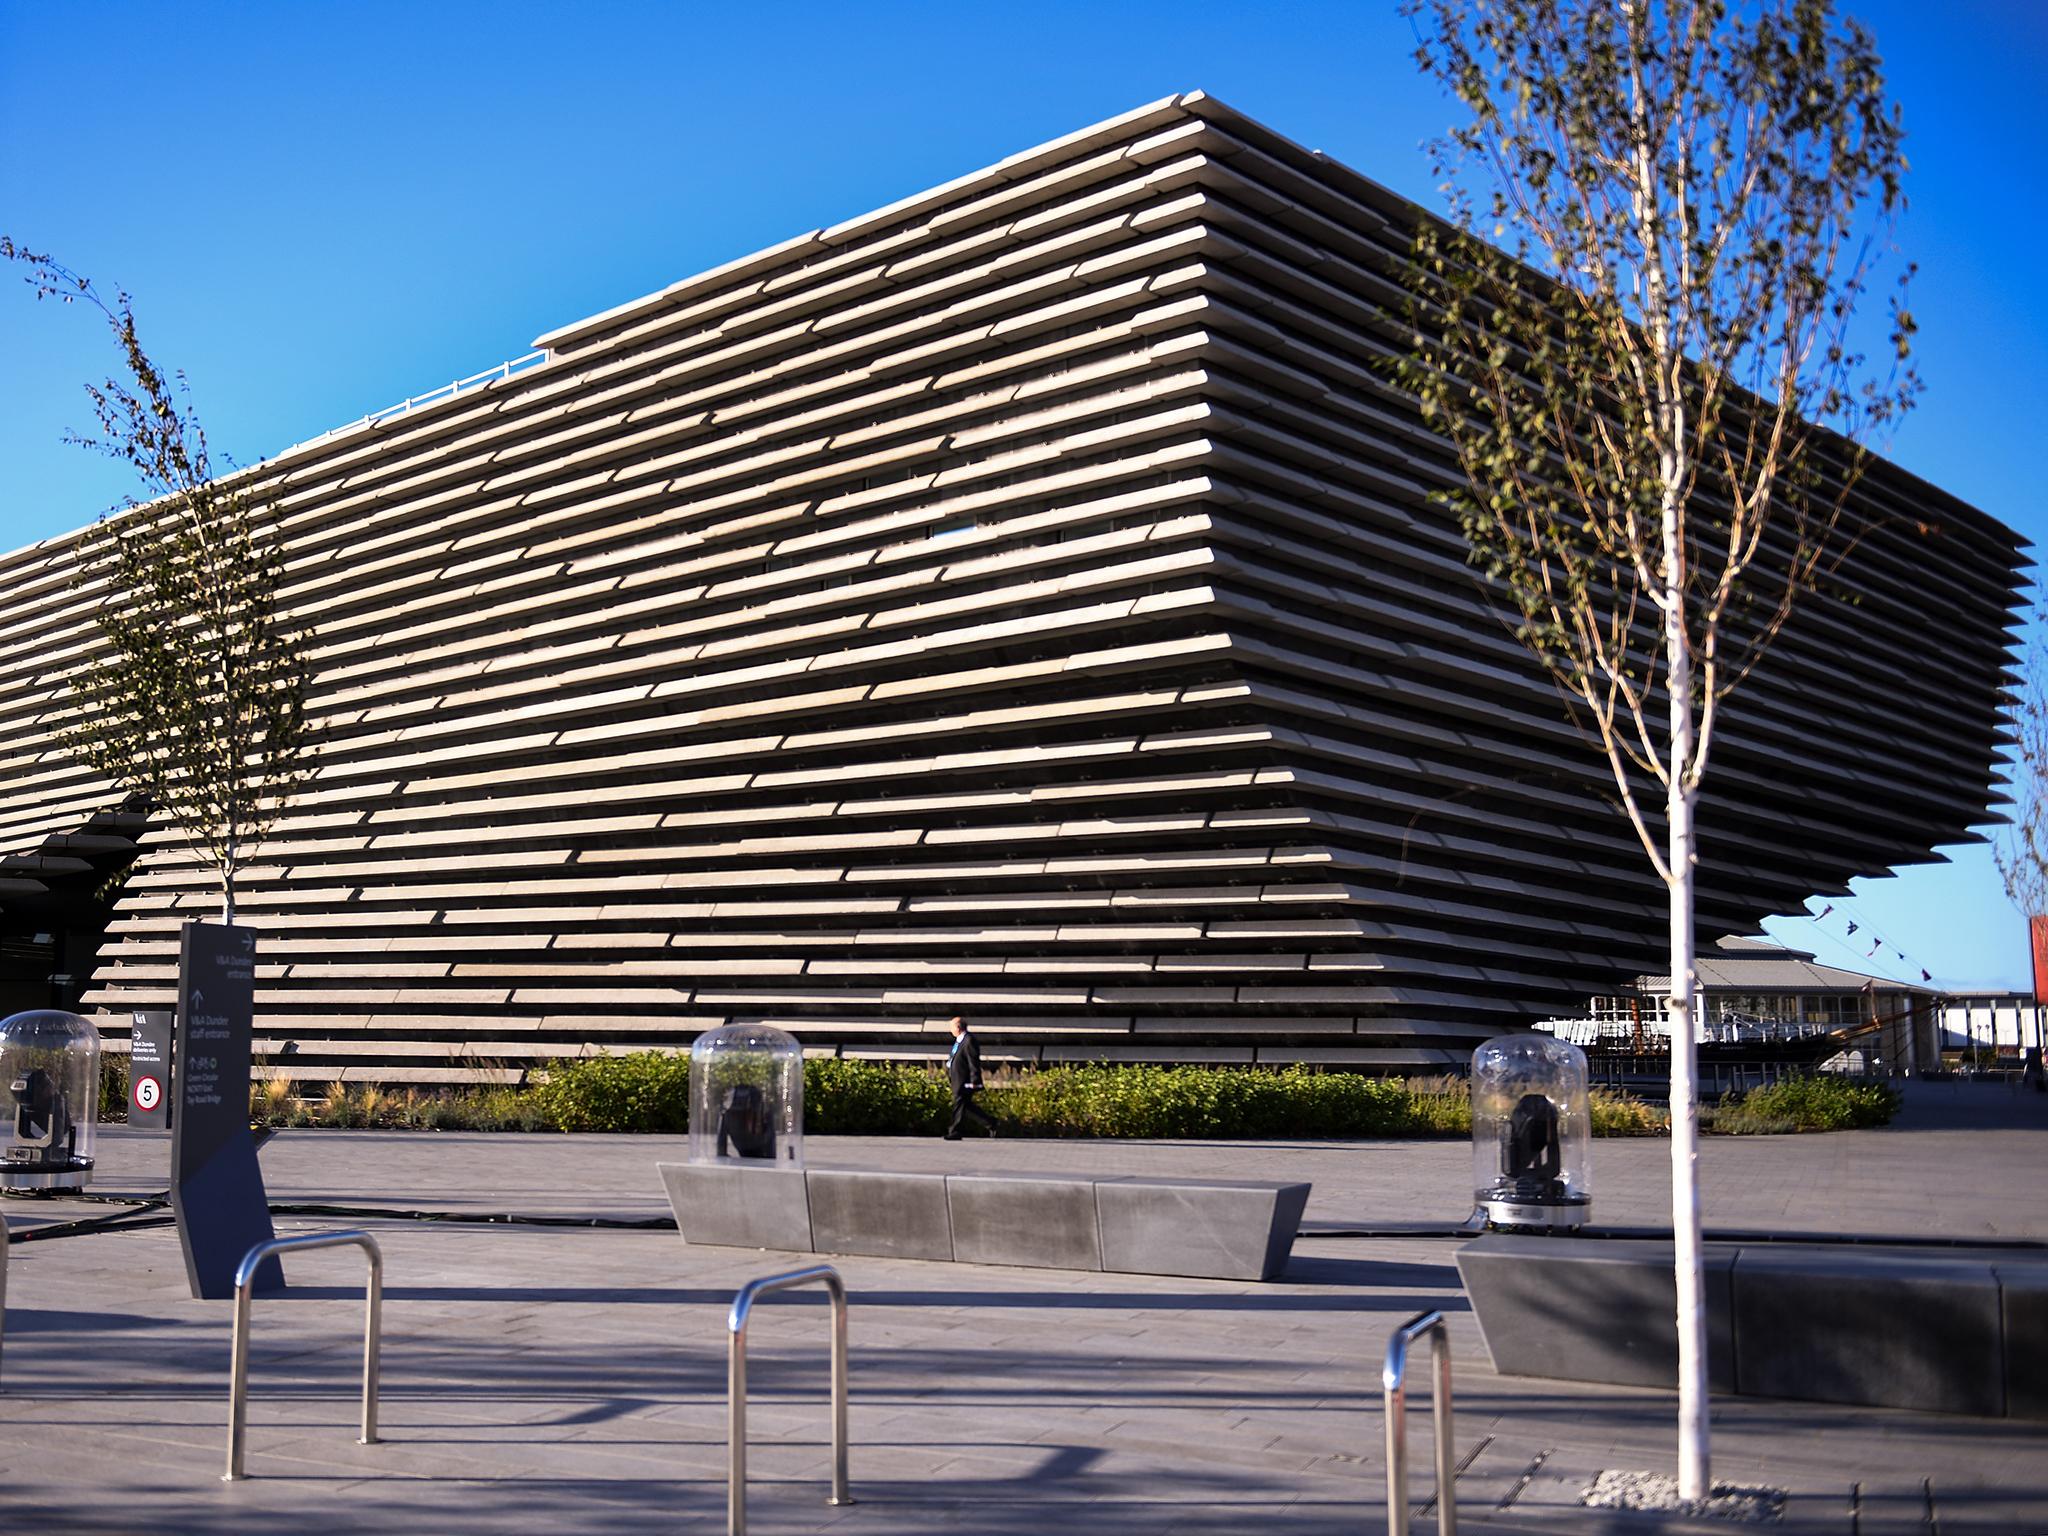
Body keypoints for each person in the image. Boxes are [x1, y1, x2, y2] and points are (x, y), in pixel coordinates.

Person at [944, 1015, 998, 1139]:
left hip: (964, 1080)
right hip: (957, 1079)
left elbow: (973, 1061)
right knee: (966, 1106)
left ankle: (955, 1131)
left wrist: (974, 1079)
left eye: (951, 1027)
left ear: (958, 1027)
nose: (950, 1030)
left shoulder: (969, 1040)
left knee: (959, 1104)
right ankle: (990, 1122)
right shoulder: (959, 1041)